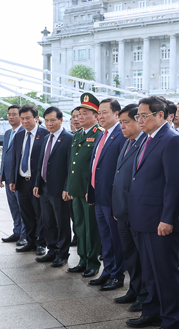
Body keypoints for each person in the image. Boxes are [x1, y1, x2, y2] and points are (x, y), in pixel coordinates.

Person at [126, 96, 179, 329]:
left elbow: (175, 185)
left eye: (144, 116)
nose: (139, 120)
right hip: (143, 217)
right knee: (149, 271)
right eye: (138, 116)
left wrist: (168, 219)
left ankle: (172, 322)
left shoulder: (173, 141)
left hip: (161, 221)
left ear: (161, 115)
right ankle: (152, 312)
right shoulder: (146, 139)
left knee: (165, 272)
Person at [87, 98, 128, 291]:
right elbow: (95, 164)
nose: (100, 116)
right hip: (99, 195)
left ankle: (117, 275)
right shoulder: (102, 135)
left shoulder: (121, 135)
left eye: (104, 112)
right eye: (99, 113)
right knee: (105, 238)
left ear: (116, 114)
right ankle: (108, 271)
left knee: (115, 238)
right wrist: (91, 190)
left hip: (112, 198)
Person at [112, 104, 148, 312]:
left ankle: (144, 295)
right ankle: (134, 289)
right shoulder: (127, 143)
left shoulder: (144, 143)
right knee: (130, 255)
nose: (122, 127)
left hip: (136, 211)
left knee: (141, 256)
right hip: (122, 210)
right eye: (121, 123)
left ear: (138, 121)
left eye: (126, 122)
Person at [65, 95, 102, 278]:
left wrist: (92, 189)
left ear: (96, 115)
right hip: (76, 189)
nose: (79, 117)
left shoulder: (99, 134)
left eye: (84, 113)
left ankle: (93, 261)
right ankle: (82, 259)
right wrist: (69, 187)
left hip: (89, 190)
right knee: (79, 225)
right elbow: (72, 164)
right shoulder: (78, 134)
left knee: (91, 227)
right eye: (78, 114)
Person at [32, 107, 73, 267]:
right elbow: (41, 163)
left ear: (61, 120)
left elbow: (70, 166)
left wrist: (67, 187)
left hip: (59, 189)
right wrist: (37, 183)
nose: (49, 123)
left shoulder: (69, 139)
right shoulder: (45, 138)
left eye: (53, 120)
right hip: (44, 187)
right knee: (48, 221)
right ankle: (52, 250)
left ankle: (63, 254)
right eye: (47, 120)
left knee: (62, 222)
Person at [10, 104, 50, 255]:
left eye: (28, 118)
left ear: (36, 118)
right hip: (21, 181)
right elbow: (15, 159)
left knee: (40, 214)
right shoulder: (19, 135)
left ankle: (41, 243)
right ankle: (30, 241)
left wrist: (40, 182)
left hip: (37, 182)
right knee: (26, 214)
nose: (25, 121)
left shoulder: (45, 134)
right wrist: (13, 179)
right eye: (23, 118)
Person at [0, 105, 26, 246]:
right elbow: (5, 155)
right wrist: (1, 174)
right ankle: (16, 232)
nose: (11, 117)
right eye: (9, 114)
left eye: (14, 114)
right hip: (8, 176)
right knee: (13, 206)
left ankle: (24, 234)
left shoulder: (24, 133)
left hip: (18, 178)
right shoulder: (7, 133)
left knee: (22, 207)